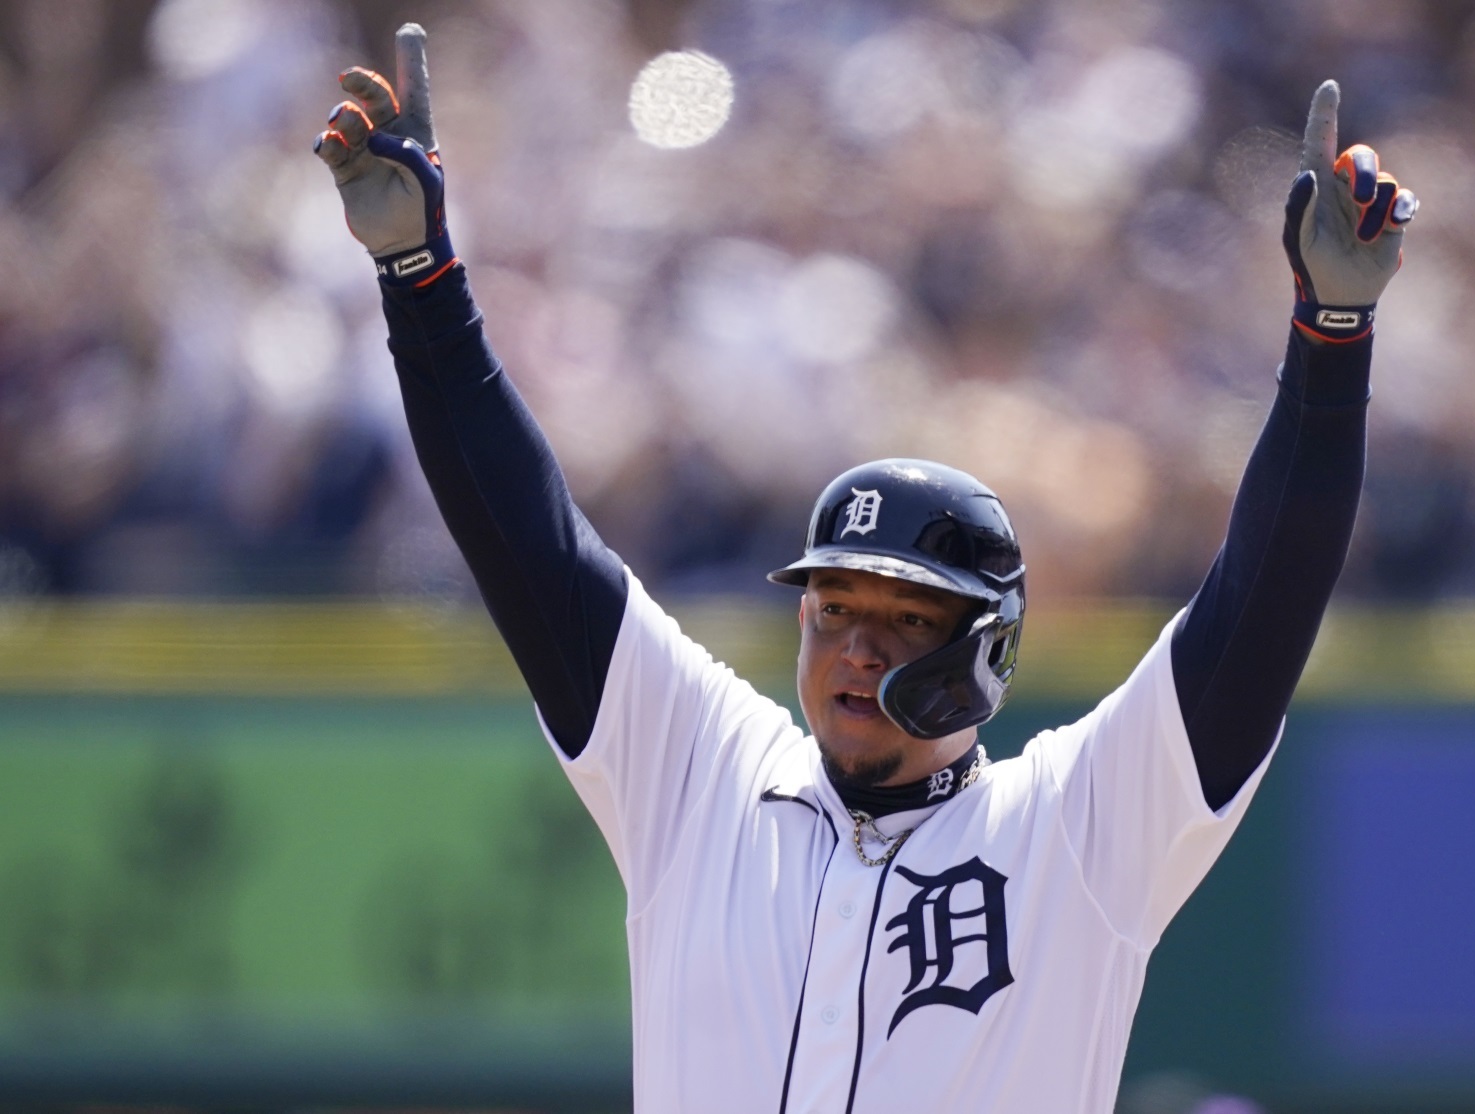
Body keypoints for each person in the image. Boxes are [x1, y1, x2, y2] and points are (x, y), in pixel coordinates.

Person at [314, 24, 1413, 1113]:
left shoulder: (1075, 829)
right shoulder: (702, 781)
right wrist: (421, 282)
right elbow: (527, 540)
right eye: (834, 606)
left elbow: (1258, 609)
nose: (852, 645)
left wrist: (1334, 338)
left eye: (901, 618)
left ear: (986, 650)